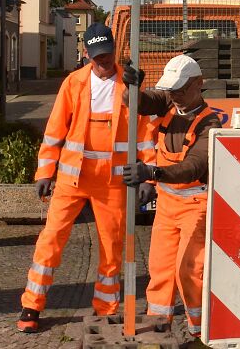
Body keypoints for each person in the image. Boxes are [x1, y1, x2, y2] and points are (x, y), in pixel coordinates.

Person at [17, 23, 157, 333]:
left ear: (115, 52)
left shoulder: (130, 84)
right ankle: (31, 305)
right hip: (72, 179)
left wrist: (149, 174)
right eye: (97, 57)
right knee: (51, 240)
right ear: (86, 55)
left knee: (112, 246)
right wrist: (44, 172)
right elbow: (54, 131)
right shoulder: (73, 83)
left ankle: (105, 309)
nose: (103, 62)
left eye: (107, 56)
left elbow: (146, 132)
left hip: (112, 181)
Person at [121, 54, 222, 342]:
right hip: (167, 205)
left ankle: (200, 331)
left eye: (181, 89)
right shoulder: (168, 102)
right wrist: (131, 88)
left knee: (189, 271)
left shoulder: (209, 124)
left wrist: (152, 172)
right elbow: (139, 103)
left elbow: (193, 167)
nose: (175, 95)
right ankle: (157, 328)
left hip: (195, 206)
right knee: (160, 269)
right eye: (172, 89)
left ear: (198, 84)